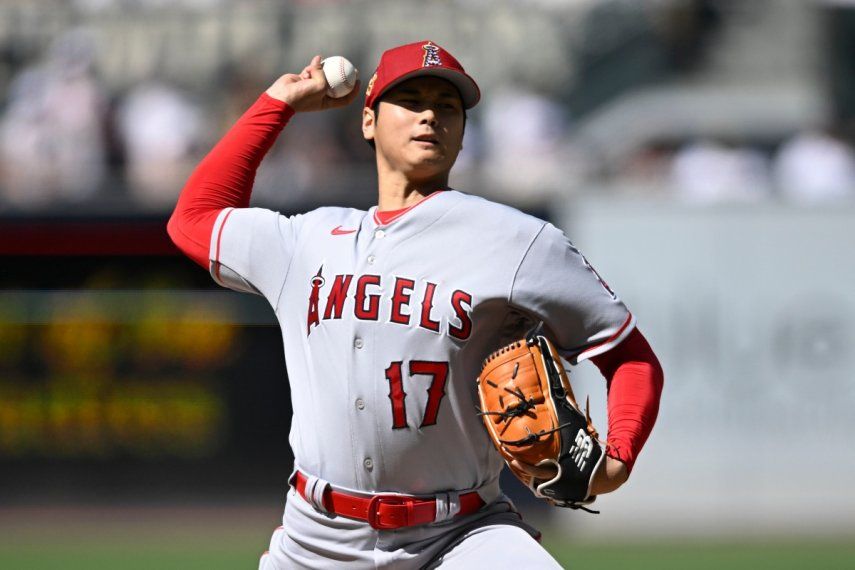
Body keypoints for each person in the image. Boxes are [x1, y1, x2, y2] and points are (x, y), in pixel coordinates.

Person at [168, 40, 664, 569]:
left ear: (462, 132)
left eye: (447, 106)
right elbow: (193, 219)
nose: (430, 115)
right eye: (411, 100)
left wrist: (619, 457)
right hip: (316, 540)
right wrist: (279, 104)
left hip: (462, 535)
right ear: (368, 121)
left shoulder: (519, 242)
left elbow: (630, 356)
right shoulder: (306, 241)